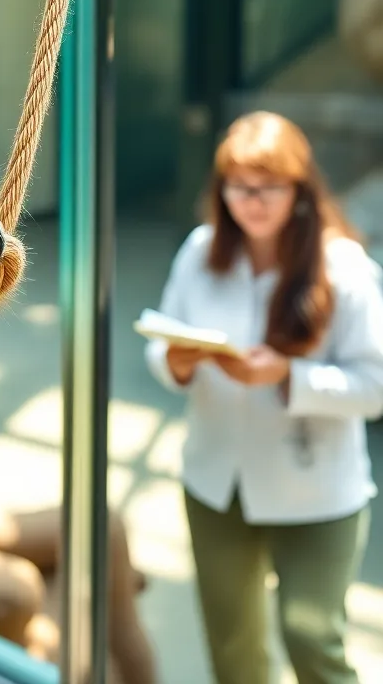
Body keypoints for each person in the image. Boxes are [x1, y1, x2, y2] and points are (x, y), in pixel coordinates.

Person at [146, 111, 383, 684]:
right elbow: (163, 340)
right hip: (216, 483)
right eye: (238, 186)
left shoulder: (343, 267)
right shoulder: (202, 251)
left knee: (312, 642)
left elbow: (375, 385)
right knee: (234, 652)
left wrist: (288, 378)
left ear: (299, 192)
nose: (251, 201)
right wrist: (173, 362)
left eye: (268, 188)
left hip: (317, 494)